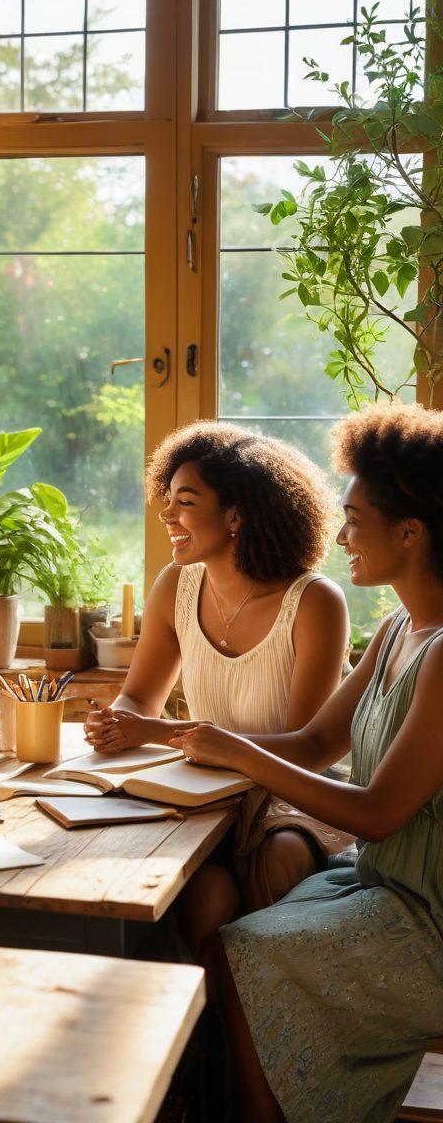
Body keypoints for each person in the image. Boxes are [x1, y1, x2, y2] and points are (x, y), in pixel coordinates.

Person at [171, 402, 443, 1123]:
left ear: (411, 534)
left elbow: (380, 814)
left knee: (238, 954)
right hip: (381, 883)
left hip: (428, 915)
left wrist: (238, 753)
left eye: (355, 520)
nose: (341, 535)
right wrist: (216, 741)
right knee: (228, 943)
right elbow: (316, 744)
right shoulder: (394, 630)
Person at [85, 421, 351, 947]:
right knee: (201, 895)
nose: (166, 514)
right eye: (167, 498)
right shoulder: (176, 586)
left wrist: (155, 733)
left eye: (185, 501)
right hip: (204, 786)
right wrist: (118, 721)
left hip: (291, 792)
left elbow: (303, 750)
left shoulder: (315, 601)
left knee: (280, 856)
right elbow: (139, 697)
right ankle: (200, 1022)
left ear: (236, 515)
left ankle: (268, 1013)